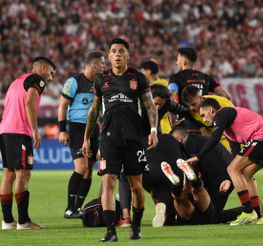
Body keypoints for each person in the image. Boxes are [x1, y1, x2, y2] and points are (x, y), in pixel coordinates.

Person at [82, 38, 158, 242]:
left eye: (121, 51)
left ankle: (136, 226)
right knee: (108, 183)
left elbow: (150, 106)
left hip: (134, 139)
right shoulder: (101, 80)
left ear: (128, 55)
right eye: (113, 51)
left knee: (136, 186)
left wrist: (153, 129)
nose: (117, 54)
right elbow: (94, 109)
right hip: (109, 140)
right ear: (109, 56)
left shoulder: (138, 78)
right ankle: (110, 231)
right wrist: (86, 138)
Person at [186, 98, 263, 226]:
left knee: (232, 169)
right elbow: (235, 156)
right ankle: (258, 215)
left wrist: (198, 157)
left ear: (211, 110)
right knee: (245, 175)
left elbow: (215, 138)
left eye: (203, 115)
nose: (203, 119)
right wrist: (230, 179)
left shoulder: (223, 113)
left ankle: (247, 211)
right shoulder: (229, 129)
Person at [0, 57, 56, 230]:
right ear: (40, 67)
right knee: (23, 174)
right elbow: (29, 102)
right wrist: (35, 130)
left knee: (9, 174)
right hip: (20, 132)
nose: (50, 78)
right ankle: (24, 221)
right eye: (51, 72)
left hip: (5, 131)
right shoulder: (36, 79)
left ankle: (8, 221)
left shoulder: (17, 81)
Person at [169, 126, 257, 224]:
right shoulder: (199, 140)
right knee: (206, 212)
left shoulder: (189, 145)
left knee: (211, 216)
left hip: (221, 181)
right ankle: (250, 210)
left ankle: (250, 210)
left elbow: (195, 165)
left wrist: (228, 179)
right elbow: (225, 157)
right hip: (220, 178)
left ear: (179, 139)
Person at [58, 51, 105, 218]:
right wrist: (62, 129)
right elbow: (63, 105)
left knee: (88, 171)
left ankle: (77, 208)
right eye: (102, 64)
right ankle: (69, 208)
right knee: (81, 167)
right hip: (77, 127)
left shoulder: (100, 83)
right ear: (94, 65)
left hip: (94, 128)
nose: (104, 66)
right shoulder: (74, 82)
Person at [182, 85, 234, 150]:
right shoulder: (191, 112)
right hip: (218, 144)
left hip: (234, 141)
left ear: (200, 97)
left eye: (193, 104)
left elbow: (236, 123)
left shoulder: (222, 102)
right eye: (188, 105)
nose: (191, 108)